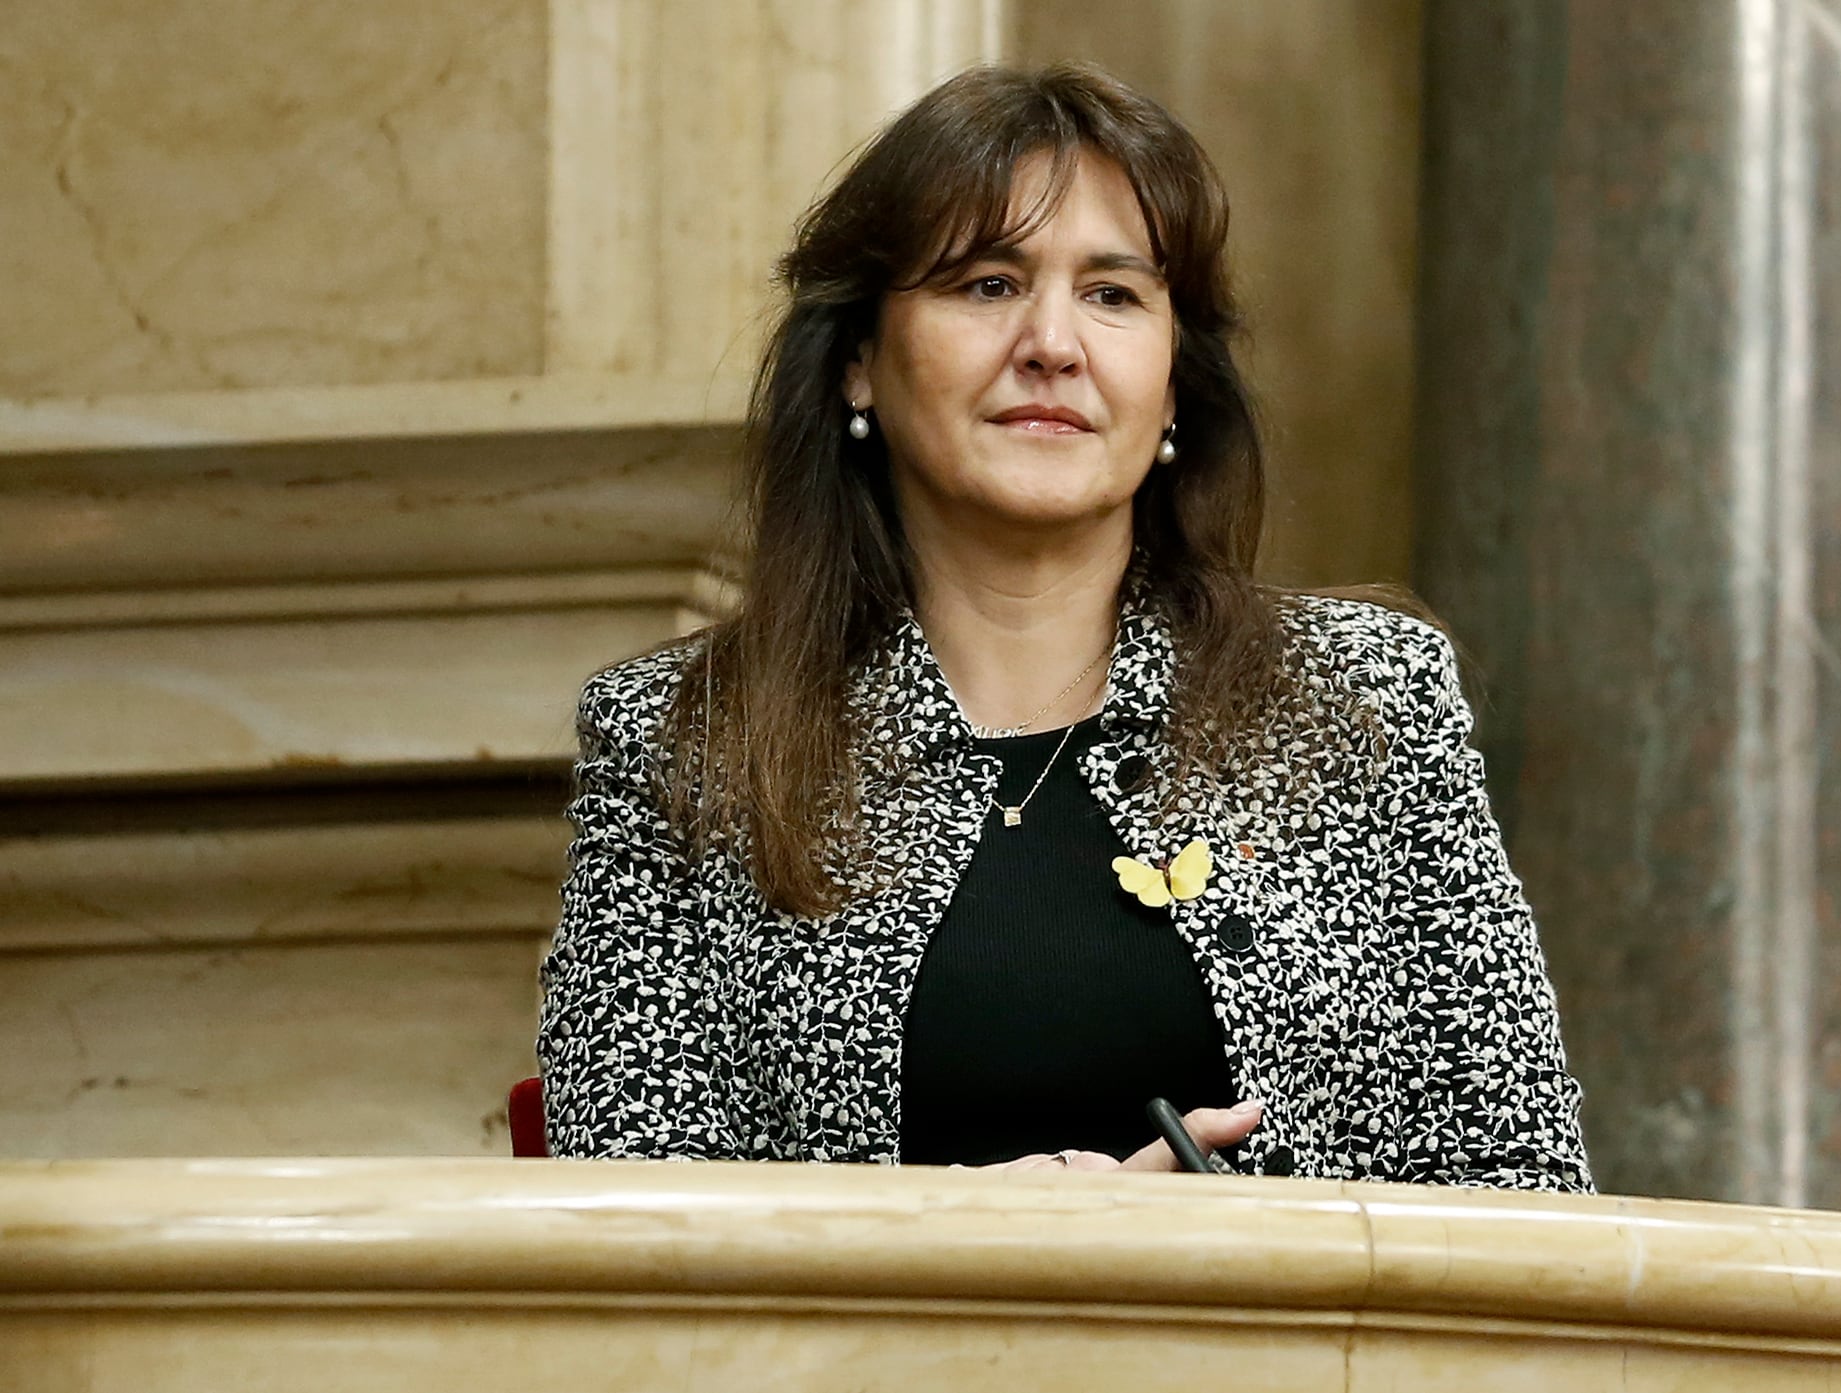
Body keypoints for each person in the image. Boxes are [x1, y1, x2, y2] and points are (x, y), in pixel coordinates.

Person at [537, 63, 1591, 1189]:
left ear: (1175, 381)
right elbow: (633, 1224)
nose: (1052, 343)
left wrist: (1196, 1250)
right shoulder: (686, 738)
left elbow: (1523, 1184)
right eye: (987, 285)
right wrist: (968, 1244)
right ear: (858, 364)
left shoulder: (1363, 697)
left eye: (1114, 294)